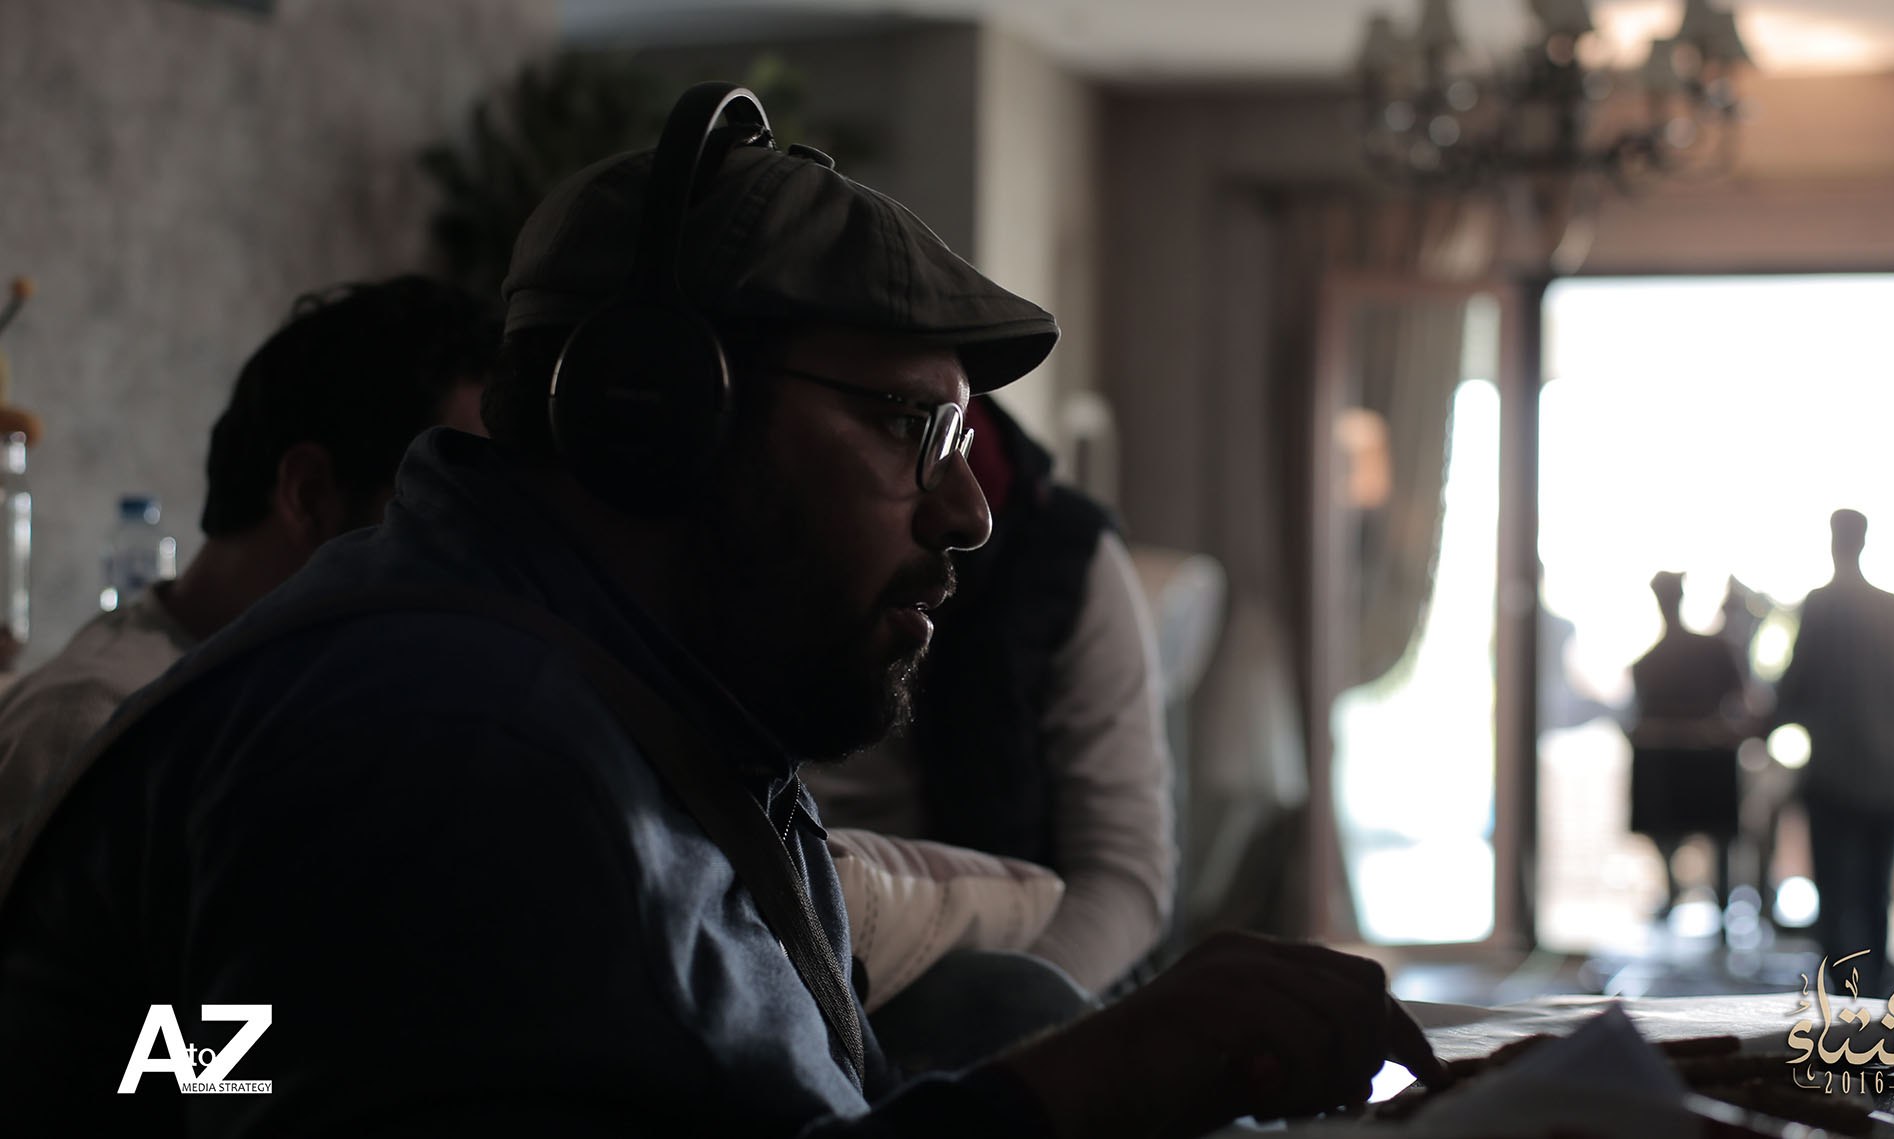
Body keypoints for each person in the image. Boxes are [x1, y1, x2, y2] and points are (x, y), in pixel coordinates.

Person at [0, 86, 1441, 1138]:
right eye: (911, 429)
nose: (969, 511)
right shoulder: (450, 747)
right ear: (659, 421)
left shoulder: (657, 712)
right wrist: (1102, 1078)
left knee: (998, 1004)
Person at [0, 275, 496, 862]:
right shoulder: (99, 731)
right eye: (450, 513)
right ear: (309, 495)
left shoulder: (312, 706)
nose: (479, 566)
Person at [804, 392, 1173, 1065]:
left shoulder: (1066, 560)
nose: (965, 513)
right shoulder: (765, 542)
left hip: (1022, 980)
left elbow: (1124, 872)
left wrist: (1005, 1019)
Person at [1770, 509, 1894, 982]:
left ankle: (1845, 1003)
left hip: (1837, 777)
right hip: (1889, 775)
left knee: (1837, 899)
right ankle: (1878, 995)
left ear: (1834, 542)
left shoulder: (1822, 605)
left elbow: (1795, 688)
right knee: (1877, 896)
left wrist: (1766, 721)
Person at [1626, 571, 1747, 920]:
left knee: (1716, 833)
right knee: (1676, 828)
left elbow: (1741, 701)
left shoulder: (1707, 651)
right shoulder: (1650, 662)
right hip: (1679, 762)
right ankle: (1687, 893)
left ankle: (1719, 900)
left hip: (1705, 761)